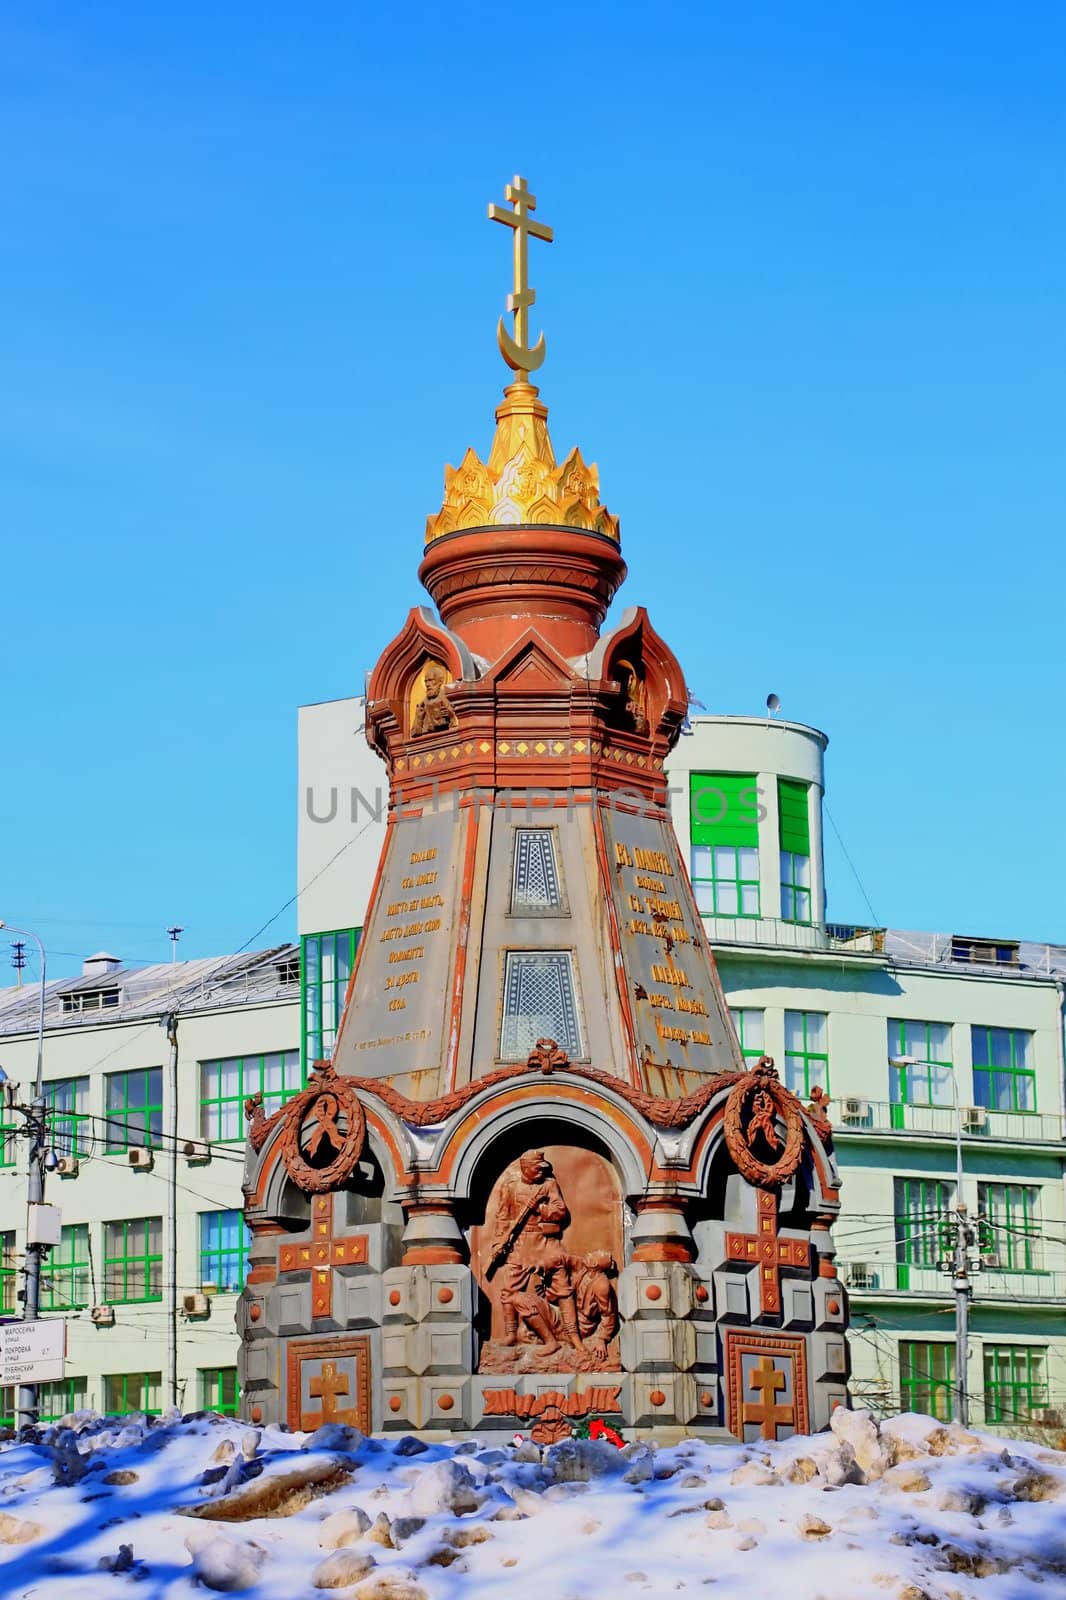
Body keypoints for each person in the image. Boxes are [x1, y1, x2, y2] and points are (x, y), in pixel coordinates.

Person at [488, 1150, 582, 1355]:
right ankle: (511, 1335)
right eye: (536, 1168)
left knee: (562, 1289)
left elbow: (561, 1210)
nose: (541, 1171)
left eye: (543, 1168)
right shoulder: (510, 1187)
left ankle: (573, 1337)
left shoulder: (548, 1185)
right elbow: (503, 1218)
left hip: (545, 1242)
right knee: (508, 1292)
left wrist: (541, 1209)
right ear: (525, 1167)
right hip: (519, 1244)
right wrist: (497, 1244)